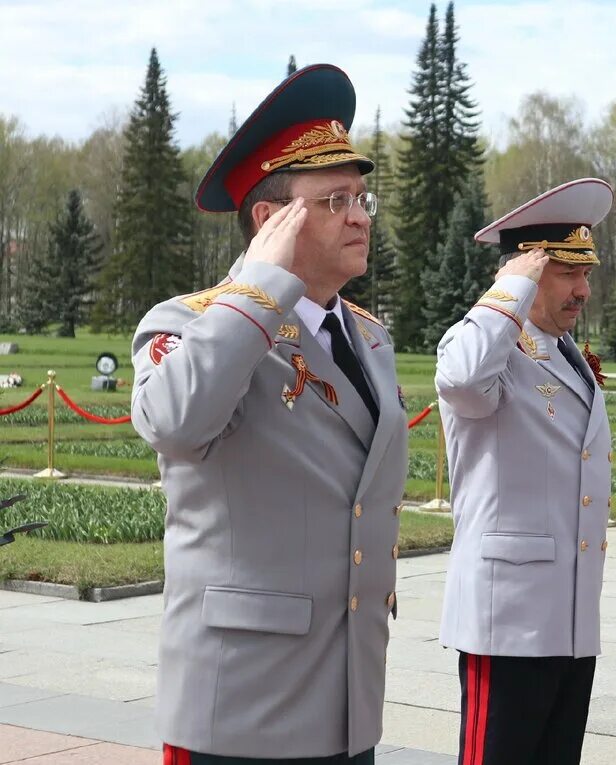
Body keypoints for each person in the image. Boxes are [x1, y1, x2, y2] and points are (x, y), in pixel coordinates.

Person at [130, 64, 409, 764]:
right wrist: (257, 289)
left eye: (361, 197)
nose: (359, 214)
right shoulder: (190, 324)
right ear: (270, 219)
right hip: (240, 707)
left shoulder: (368, 336)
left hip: (346, 703)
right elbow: (173, 421)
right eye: (334, 199)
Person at [435, 178, 614, 765]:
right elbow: (461, 380)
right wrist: (508, 288)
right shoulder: (485, 345)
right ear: (527, 271)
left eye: (586, 273)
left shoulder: (565, 353)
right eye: (567, 272)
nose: (583, 289)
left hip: (567, 615)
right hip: (507, 618)